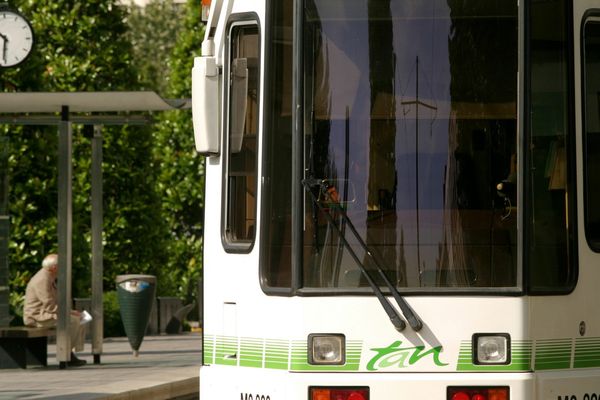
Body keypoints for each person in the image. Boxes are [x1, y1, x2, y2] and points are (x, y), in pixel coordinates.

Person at [23, 253, 87, 367]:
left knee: (83, 318)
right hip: (37, 317)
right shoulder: (42, 279)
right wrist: (70, 312)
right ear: (54, 267)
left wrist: (71, 312)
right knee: (74, 320)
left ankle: (69, 352)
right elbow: (49, 306)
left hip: (46, 314)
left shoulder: (49, 277)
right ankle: (65, 354)